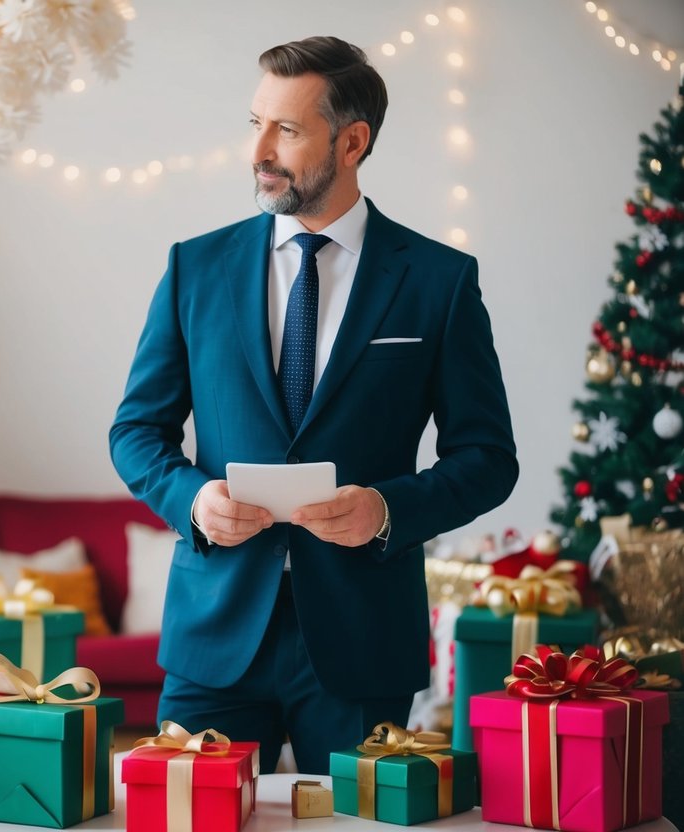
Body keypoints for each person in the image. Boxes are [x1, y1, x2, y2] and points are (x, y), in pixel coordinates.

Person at [109, 35, 517, 775]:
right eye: (255, 123)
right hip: (213, 640)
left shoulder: (438, 280)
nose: (259, 149)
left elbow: (487, 459)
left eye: (286, 130)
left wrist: (385, 510)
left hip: (363, 643)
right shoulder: (193, 267)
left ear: (352, 141)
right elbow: (136, 431)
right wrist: (194, 501)